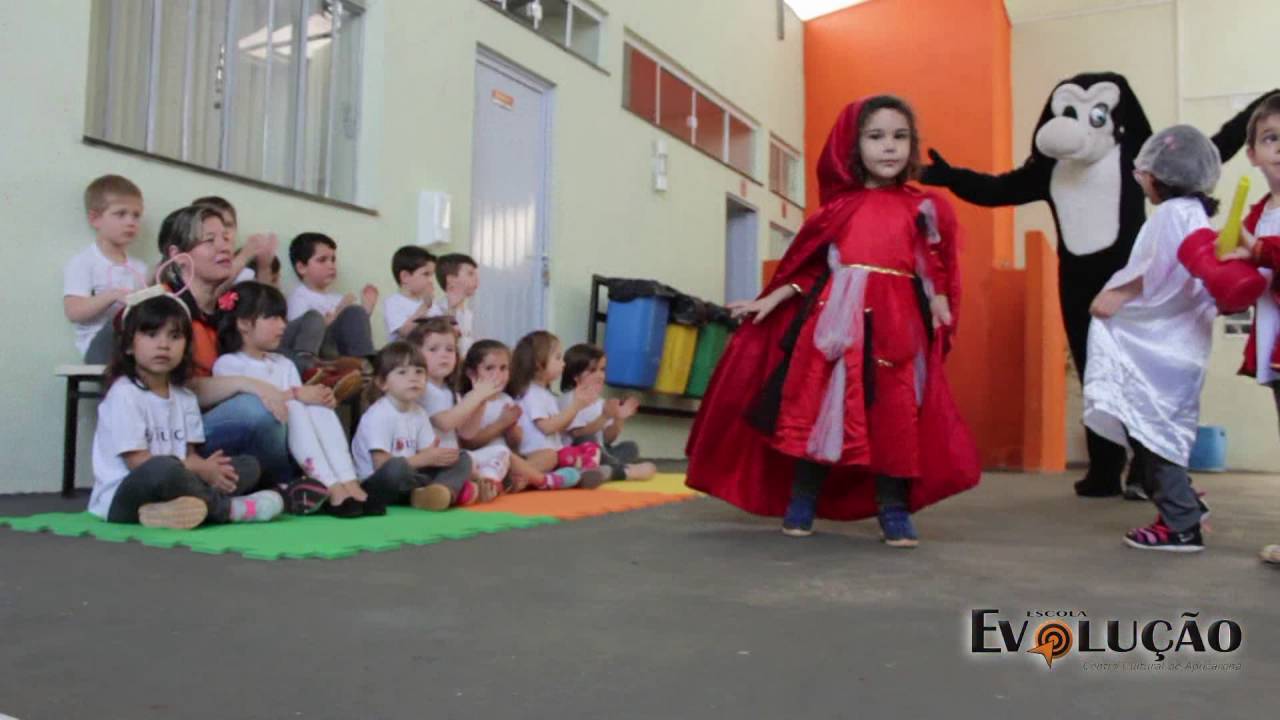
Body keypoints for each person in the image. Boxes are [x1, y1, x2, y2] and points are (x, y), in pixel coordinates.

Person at [685, 96, 980, 547]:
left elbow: (933, 263)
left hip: (897, 324)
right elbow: (808, 268)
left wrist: (940, 300)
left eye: (900, 137)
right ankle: (802, 500)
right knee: (821, 408)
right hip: (836, 324)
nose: (889, 146)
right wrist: (771, 299)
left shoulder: (923, 207)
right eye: (876, 136)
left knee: (895, 414)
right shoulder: (839, 209)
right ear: (853, 146)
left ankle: (893, 509)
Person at [1083, 124, 1223, 552]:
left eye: (1144, 172)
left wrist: (1115, 295)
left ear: (1157, 175)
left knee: (1153, 429)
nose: (1140, 178)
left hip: (1160, 347)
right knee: (1163, 425)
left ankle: (1180, 523)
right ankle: (1186, 505)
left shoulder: (1171, 215)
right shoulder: (1194, 214)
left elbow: (1155, 269)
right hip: (1184, 343)